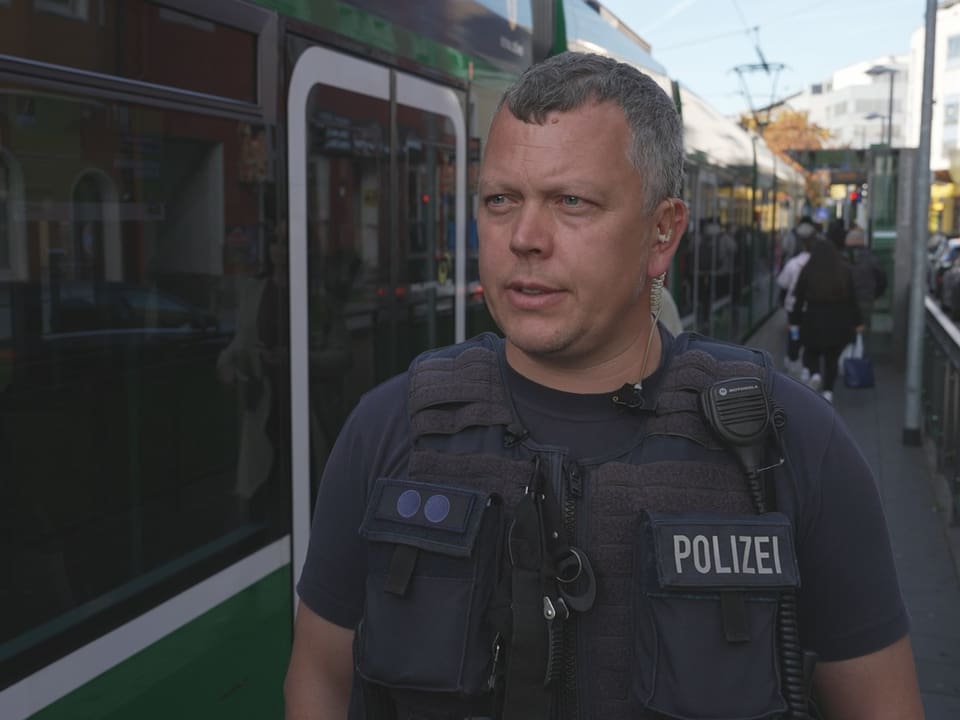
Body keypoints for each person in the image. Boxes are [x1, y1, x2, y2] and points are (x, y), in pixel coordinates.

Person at [284, 52, 922, 720]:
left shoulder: (794, 450)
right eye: (501, 200)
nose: (525, 238)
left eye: (572, 202)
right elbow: (320, 678)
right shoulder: (391, 430)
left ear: (662, 232)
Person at [792, 238, 864, 404]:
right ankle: (828, 391)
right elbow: (853, 299)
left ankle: (815, 373)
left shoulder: (808, 270)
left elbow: (799, 300)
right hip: (838, 320)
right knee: (832, 357)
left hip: (813, 317)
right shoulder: (844, 270)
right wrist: (858, 322)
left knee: (811, 352)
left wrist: (795, 321)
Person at [775, 219, 816, 378]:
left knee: (795, 333)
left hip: (794, 308)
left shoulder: (793, 263)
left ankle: (792, 359)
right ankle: (807, 365)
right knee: (809, 335)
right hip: (811, 308)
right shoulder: (819, 264)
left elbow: (783, 283)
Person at [844, 224, 887, 352]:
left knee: (845, 332)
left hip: (844, 302)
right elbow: (882, 281)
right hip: (865, 301)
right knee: (862, 332)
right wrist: (873, 295)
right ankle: (859, 362)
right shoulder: (872, 258)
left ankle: (845, 361)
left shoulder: (841, 257)